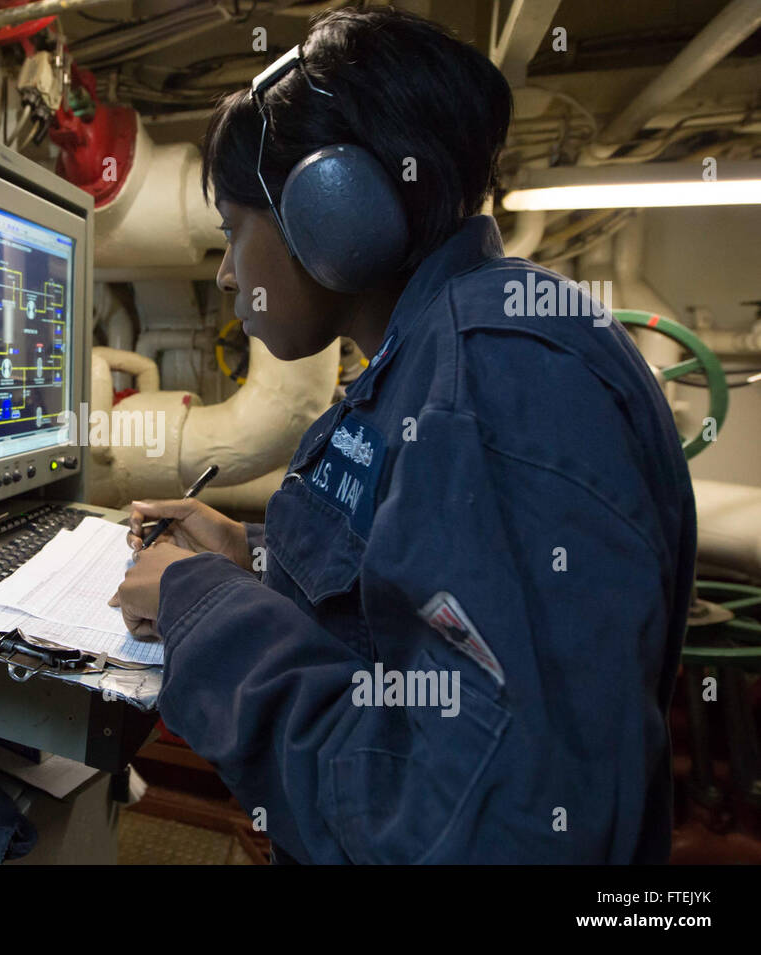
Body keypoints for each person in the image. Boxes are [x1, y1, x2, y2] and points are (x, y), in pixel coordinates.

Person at [110, 6, 696, 864]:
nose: (229, 271)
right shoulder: (440, 353)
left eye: (235, 229)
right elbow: (400, 611)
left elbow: (482, 828)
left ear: (331, 215)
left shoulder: (496, 384)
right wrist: (257, 565)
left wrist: (206, 608)